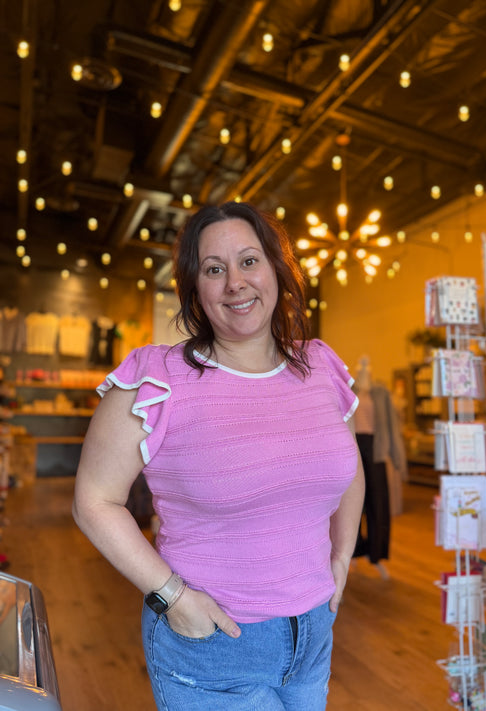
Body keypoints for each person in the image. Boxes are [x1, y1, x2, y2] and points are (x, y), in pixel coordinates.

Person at [72, 201, 365, 711]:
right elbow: (94, 500)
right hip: (213, 644)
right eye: (214, 269)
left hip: (314, 632)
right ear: (195, 291)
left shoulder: (320, 366)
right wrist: (173, 598)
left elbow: (349, 467)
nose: (235, 282)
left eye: (249, 261)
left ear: (278, 269)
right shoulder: (158, 377)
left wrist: (341, 559)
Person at [351, 356, 406, 579]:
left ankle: (376, 554)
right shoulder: (345, 389)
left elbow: (391, 427)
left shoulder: (381, 394)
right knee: (351, 506)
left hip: (376, 447)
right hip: (352, 447)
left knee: (378, 503)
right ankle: (352, 551)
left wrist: (399, 459)